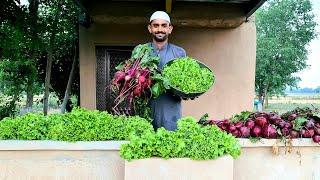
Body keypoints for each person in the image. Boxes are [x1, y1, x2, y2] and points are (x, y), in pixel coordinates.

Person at [147, 11, 187, 131]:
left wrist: (186, 92)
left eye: (164, 26)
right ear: (150, 28)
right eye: (156, 25)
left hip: (172, 115)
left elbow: (184, 83)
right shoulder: (141, 51)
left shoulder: (180, 53)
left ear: (170, 29)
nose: (160, 29)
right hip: (146, 113)